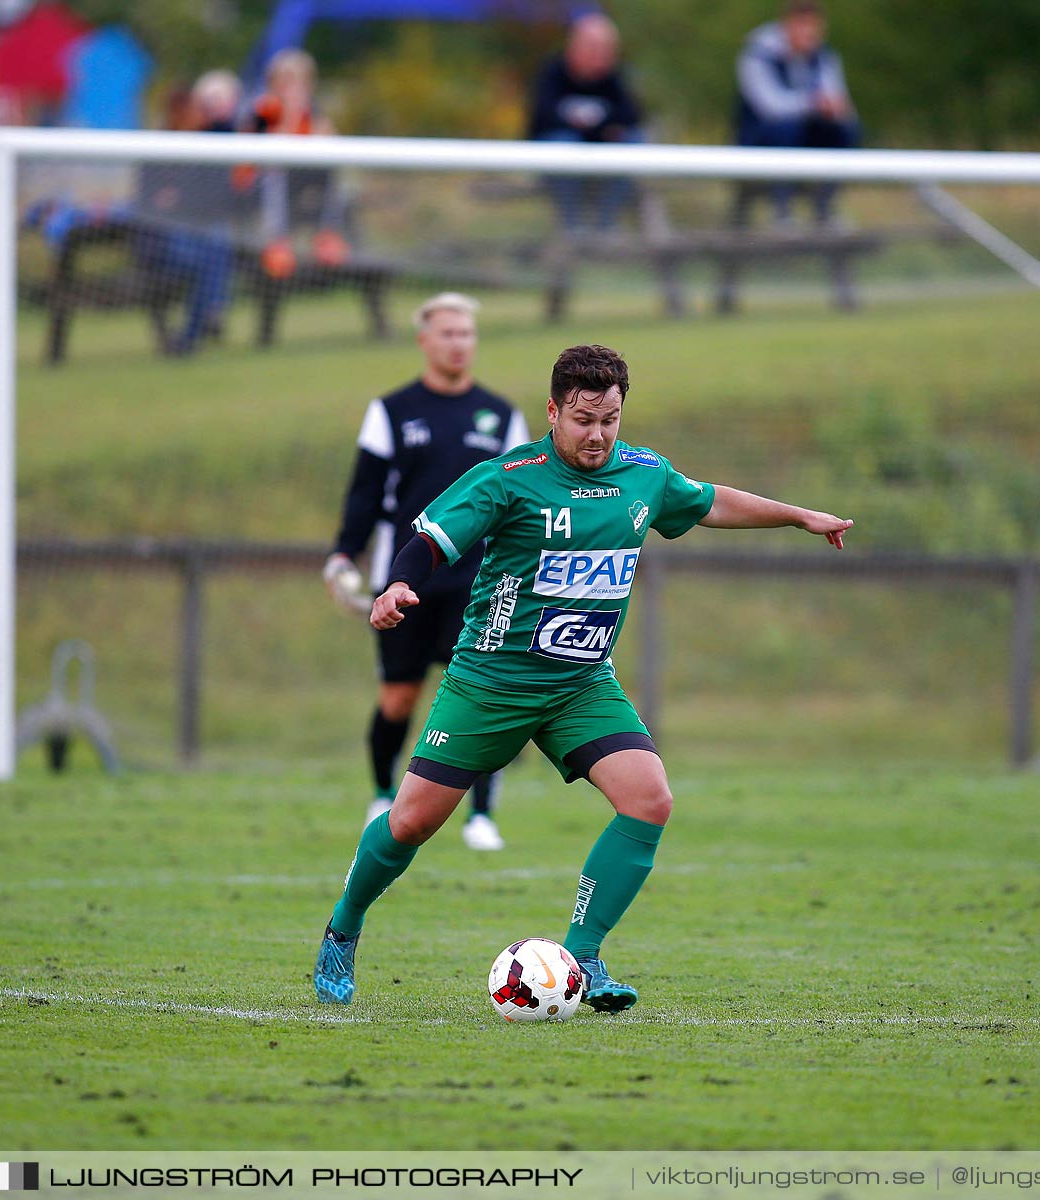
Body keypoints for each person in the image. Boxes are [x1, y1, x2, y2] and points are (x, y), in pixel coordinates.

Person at [312, 343, 853, 1008]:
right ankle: (343, 927)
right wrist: (397, 585)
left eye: (610, 419)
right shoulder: (510, 477)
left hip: (581, 684)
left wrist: (798, 515)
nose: (598, 434)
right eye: (583, 419)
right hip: (490, 683)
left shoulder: (646, 475)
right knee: (411, 823)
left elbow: (710, 502)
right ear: (552, 412)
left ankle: (585, 956)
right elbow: (431, 541)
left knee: (649, 798)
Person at [324, 293, 529, 852]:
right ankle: (382, 794)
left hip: (482, 582)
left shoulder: (502, 415)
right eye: (448, 333)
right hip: (405, 578)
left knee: (483, 696)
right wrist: (344, 552)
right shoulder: (390, 411)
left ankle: (481, 814)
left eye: (467, 333)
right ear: (424, 339)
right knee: (399, 697)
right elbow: (365, 494)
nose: (459, 342)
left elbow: (525, 500)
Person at [133, 71, 246, 356]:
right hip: (163, 242)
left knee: (215, 246)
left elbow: (210, 196)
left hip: (200, 232)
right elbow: (154, 202)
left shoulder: (210, 143)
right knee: (209, 254)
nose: (202, 114)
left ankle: (196, 329)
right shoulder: (157, 152)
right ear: (178, 114)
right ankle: (210, 314)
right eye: (195, 109)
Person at [733, 0, 860, 226]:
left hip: (806, 136)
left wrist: (834, 109)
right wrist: (813, 104)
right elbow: (769, 106)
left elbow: (840, 103)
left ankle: (825, 208)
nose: (809, 35)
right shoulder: (759, 52)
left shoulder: (824, 56)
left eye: (814, 29)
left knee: (845, 130)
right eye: (803, 27)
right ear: (787, 25)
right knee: (787, 127)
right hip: (760, 139)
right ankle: (782, 211)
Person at [527, 13, 646, 233]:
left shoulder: (614, 78)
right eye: (592, 47)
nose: (598, 56)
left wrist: (597, 123)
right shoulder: (552, 71)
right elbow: (540, 117)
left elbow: (631, 115)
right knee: (563, 143)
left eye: (605, 49)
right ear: (575, 45)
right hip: (561, 158)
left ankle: (605, 226)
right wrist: (576, 123)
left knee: (635, 142)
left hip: (602, 157)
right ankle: (571, 227)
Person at [248, 49, 349, 279]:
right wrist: (290, 113)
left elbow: (332, 142)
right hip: (264, 188)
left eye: (299, 80)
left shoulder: (313, 111)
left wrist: (310, 117)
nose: (292, 87)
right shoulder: (265, 110)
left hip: (304, 186)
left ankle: (328, 234)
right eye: (286, 80)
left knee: (332, 173)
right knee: (276, 175)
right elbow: (271, 149)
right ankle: (277, 241)